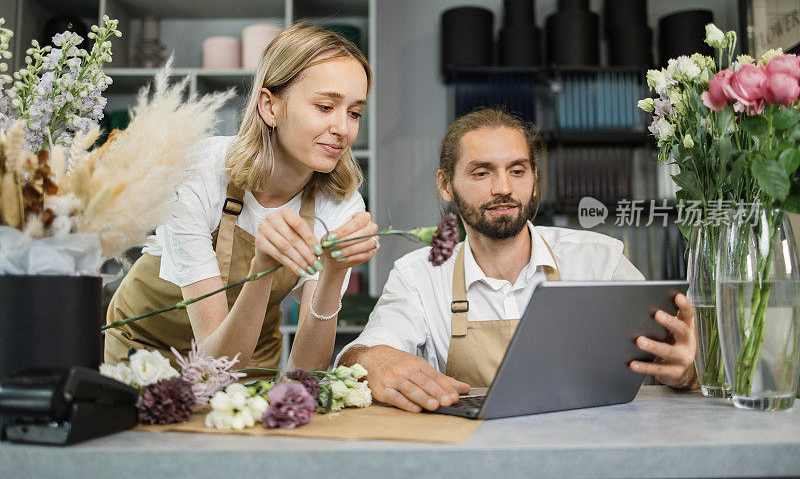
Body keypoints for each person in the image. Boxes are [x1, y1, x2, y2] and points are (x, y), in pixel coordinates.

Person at [337, 108, 697, 413]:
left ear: (535, 180)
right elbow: (361, 354)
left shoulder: (599, 259)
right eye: (482, 172)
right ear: (446, 185)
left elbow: (674, 354)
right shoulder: (418, 275)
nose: (503, 188)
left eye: (518, 170)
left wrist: (686, 371)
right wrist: (373, 361)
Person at [105, 23, 379, 373]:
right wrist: (261, 269)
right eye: (326, 107)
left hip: (249, 358)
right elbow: (213, 358)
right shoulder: (197, 170)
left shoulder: (341, 203)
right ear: (269, 107)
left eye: (354, 113)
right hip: (146, 351)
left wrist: (333, 274)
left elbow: (306, 371)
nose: (343, 129)